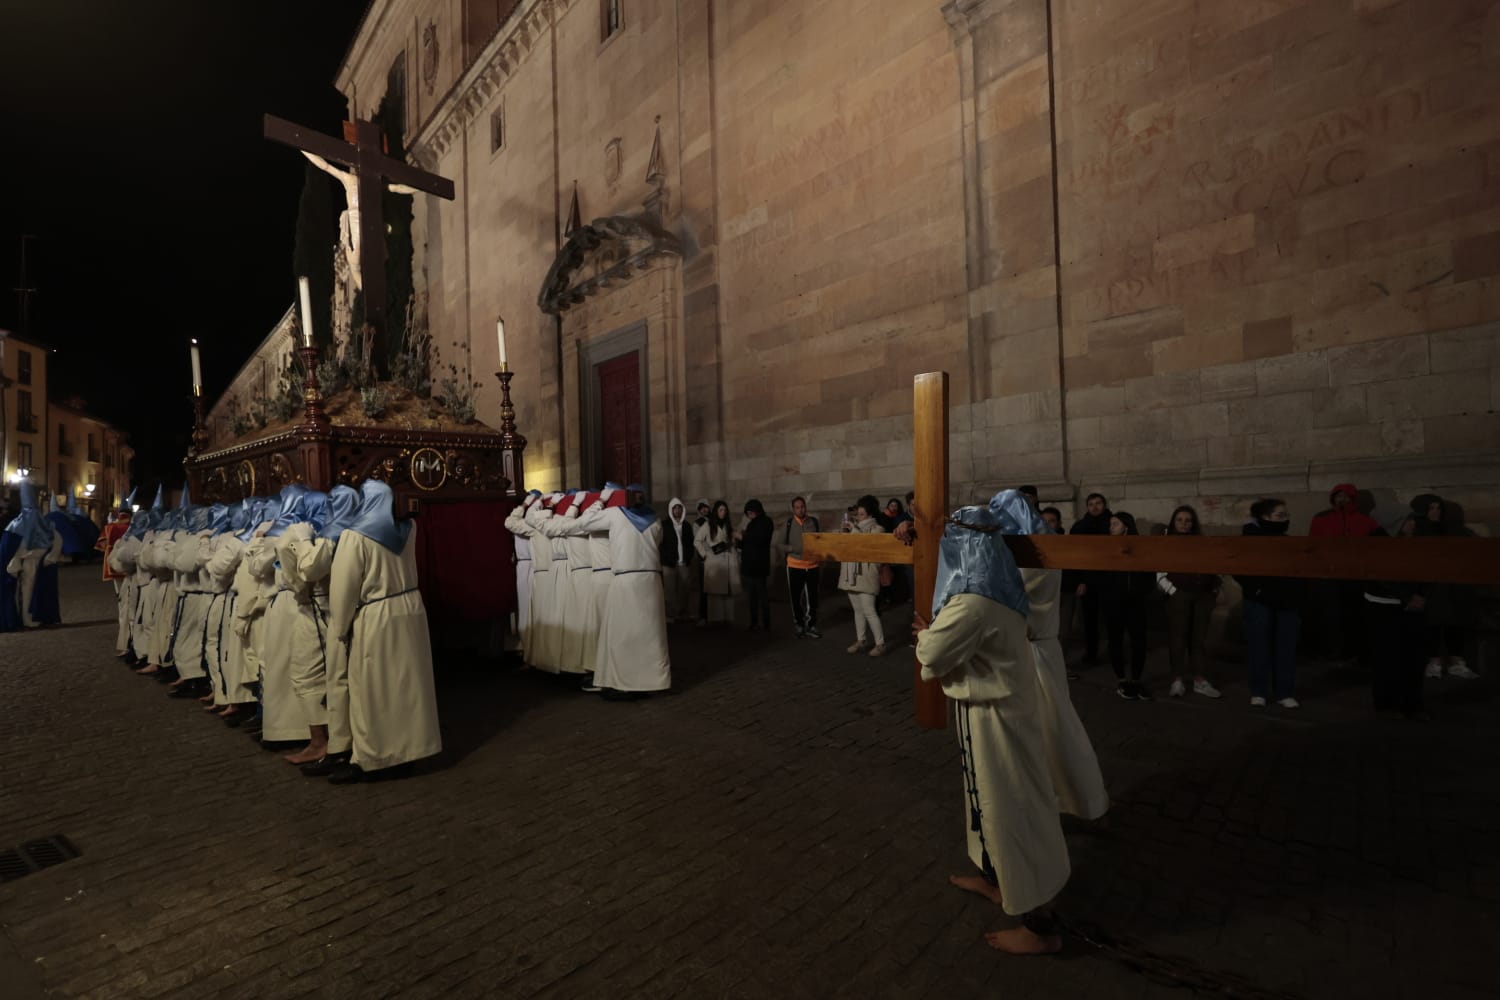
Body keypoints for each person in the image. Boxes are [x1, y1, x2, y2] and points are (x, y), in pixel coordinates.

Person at [914, 489, 1079, 955]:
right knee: (988, 805)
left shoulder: (974, 603)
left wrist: (927, 635)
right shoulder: (1001, 590)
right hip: (990, 717)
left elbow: (932, 652)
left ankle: (1041, 925)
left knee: (1014, 810)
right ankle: (1003, 883)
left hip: (999, 722)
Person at [322, 479, 442, 784]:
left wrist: (340, 626)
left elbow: (344, 587)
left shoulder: (354, 536)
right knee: (407, 689)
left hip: (376, 617)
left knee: (372, 691)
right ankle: (409, 751)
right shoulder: (408, 530)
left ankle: (373, 757)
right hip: (410, 612)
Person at [1016, 495, 1109, 822]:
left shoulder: (1031, 561)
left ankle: (1064, 799)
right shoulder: (1043, 552)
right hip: (1041, 650)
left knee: (1051, 729)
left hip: (1033, 652)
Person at [569, 483, 671, 698]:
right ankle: (653, 682)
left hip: (626, 581)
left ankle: (626, 683)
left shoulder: (615, 514)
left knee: (622, 635)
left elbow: (584, 523)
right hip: (651, 581)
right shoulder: (655, 519)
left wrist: (600, 502)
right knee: (650, 637)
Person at [1236, 499, 1303, 709]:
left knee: (1286, 647)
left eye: (1286, 515)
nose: (1285, 519)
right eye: (1280, 515)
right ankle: (1259, 691)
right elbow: (1239, 568)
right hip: (1259, 599)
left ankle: (1285, 691)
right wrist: (1256, 589)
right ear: (1265, 517)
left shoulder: (1287, 541)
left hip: (1287, 600)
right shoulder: (1249, 540)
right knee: (1259, 646)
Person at [1307, 483, 1382, 661]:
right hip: (1329, 575)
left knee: (1354, 615)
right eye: (1338, 496)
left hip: (1356, 575)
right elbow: (1313, 545)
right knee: (1331, 614)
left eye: (1346, 496)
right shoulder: (1321, 518)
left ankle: (1353, 651)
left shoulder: (1365, 520)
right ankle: (1332, 650)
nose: (1342, 499)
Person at [1364, 512, 1428, 720]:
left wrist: (1420, 595)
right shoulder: (1378, 543)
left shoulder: (1416, 542)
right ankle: (1387, 704)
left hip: (1412, 605)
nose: (1412, 523)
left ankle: (1411, 704)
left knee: (1414, 658)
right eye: (1407, 519)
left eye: (1412, 519)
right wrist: (1407, 597)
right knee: (1388, 658)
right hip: (1386, 606)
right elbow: (1381, 575)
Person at [1410, 494, 1479, 679]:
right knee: (1431, 624)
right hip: (1429, 585)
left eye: (1438, 508)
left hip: (1452, 585)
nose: (1435, 512)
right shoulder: (1417, 532)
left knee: (1455, 622)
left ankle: (1456, 660)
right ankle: (1434, 661)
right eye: (1431, 508)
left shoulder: (1454, 530)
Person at [1158, 505, 1222, 699]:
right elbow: (1159, 571)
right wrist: (1173, 591)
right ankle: (1177, 679)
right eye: (1180, 520)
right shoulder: (1166, 543)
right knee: (1178, 638)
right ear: (1173, 522)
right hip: (1179, 595)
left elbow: (1215, 564)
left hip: (1203, 595)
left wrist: (1214, 588)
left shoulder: (1202, 542)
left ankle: (1199, 679)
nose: (1184, 524)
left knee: (1198, 639)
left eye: (1188, 520)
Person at [1097, 511, 1153, 700]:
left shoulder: (1139, 547)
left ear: (1126, 526)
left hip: (1135, 601)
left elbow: (1148, 572)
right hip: (1113, 602)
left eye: (1116, 524)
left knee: (1139, 641)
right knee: (1115, 640)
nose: (1111, 527)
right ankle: (1121, 679)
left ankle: (1136, 680)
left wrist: (1142, 590)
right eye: (1111, 524)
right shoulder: (1106, 547)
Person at [4, 481, 62, 629]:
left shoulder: (43, 525)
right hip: (19, 563)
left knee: (29, 591)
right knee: (19, 591)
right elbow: (7, 546)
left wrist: (52, 556)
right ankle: (18, 618)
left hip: (35, 563)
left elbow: (57, 540)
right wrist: (14, 560)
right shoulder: (16, 525)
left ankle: (27, 618)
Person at [838, 495, 891, 657]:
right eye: (857, 514)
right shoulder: (855, 528)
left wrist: (853, 529)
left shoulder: (877, 529)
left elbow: (864, 544)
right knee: (857, 610)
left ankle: (880, 643)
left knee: (869, 610)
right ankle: (861, 640)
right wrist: (843, 532)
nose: (858, 517)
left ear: (869, 514)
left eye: (861, 514)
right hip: (850, 574)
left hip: (866, 575)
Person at [1066, 493, 1111, 664]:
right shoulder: (1079, 527)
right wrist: (1078, 580)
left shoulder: (1112, 524)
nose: (1095, 507)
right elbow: (1075, 556)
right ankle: (1091, 652)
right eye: (1091, 504)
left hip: (1109, 579)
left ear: (1104, 505)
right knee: (1089, 620)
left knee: (1110, 618)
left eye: (1098, 503)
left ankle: (1113, 651)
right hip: (1088, 581)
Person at [503, 491, 542, 663]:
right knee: (524, 609)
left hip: (530, 566)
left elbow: (510, 522)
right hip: (524, 565)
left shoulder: (530, 522)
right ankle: (527, 649)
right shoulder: (528, 520)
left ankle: (530, 651)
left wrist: (526, 505)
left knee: (528, 609)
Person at [777, 496, 823, 638]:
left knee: (812, 599)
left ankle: (811, 625)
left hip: (812, 566)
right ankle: (799, 624)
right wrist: (792, 548)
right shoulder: (789, 524)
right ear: (793, 509)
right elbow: (779, 544)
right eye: (797, 507)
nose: (800, 509)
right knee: (796, 598)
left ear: (805, 507)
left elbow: (820, 539)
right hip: (795, 566)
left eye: (802, 506)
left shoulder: (813, 522)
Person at [695, 499, 739, 625]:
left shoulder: (728, 524)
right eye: (720, 510)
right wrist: (705, 554)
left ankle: (728, 617)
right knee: (716, 592)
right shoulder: (708, 525)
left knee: (728, 591)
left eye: (725, 510)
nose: (723, 512)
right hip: (714, 561)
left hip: (728, 560)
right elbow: (697, 540)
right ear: (716, 511)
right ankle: (716, 618)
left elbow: (732, 539)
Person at [737, 499, 774, 631]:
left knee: (762, 596)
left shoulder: (766, 522)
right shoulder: (751, 524)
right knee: (751, 597)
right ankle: (754, 622)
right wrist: (739, 539)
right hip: (749, 566)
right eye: (748, 512)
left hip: (759, 566)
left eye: (751, 511)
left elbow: (759, 539)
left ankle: (766, 623)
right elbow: (745, 543)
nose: (750, 514)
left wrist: (744, 536)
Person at [659, 497, 695, 623]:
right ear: (671, 510)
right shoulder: (664, 525)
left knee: (684, 589)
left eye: (679, 508)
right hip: (669, 563)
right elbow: (661, 544)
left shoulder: (686, 526)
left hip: (683, 562)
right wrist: (666, 558)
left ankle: (682, 612)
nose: (678, 510)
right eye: (675, 508)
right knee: (669, 590)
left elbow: (691, 543)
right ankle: (670, 614)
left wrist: (688, 556)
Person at [693, 499, 711, 624]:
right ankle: (703, 615)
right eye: (702, 507)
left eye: (706, 507)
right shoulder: (697, 523)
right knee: (704, 588)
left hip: (714, 557)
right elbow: (698, 540)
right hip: (704, 558)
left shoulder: (711, 520)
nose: (705, 509)